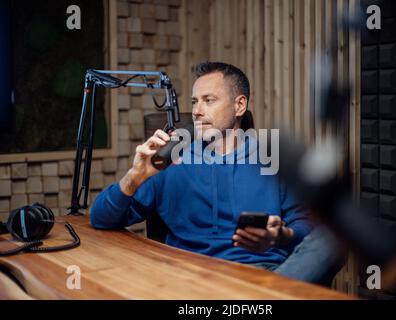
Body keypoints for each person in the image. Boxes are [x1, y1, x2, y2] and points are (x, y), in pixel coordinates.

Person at [91, 61, 345, 286]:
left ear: (239, 105)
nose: (197, 111)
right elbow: (101, 219)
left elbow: (304, 225)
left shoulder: (273, 156)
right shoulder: (170, 158)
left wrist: (280, 236)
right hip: (192, 279)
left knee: (334, 238)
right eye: (194, 101)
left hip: (266, 276)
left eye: (208, 100)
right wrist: (133, 177)